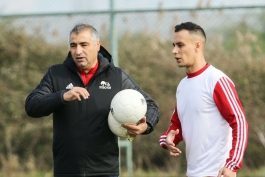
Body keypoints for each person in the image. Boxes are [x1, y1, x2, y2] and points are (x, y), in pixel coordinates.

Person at [25, 23, 160, 177]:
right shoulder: (56, 74)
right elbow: (32, 105)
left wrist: (145, 125)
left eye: (84, 45)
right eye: (73, 45)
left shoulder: (116, 77)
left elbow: (151, 106)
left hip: (105, 171)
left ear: (97, 45)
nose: (78, 51)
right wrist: (62, 96)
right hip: (66, 170)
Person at [159, 22, 248, 177]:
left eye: (180, 45)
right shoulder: (182, 86)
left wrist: (232, 165)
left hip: (216, 173)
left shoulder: (216, 80)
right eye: (173, 45)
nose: (174, 51)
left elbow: (239, 122)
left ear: (197, 46)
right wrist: (168, 138)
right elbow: (177, 125)